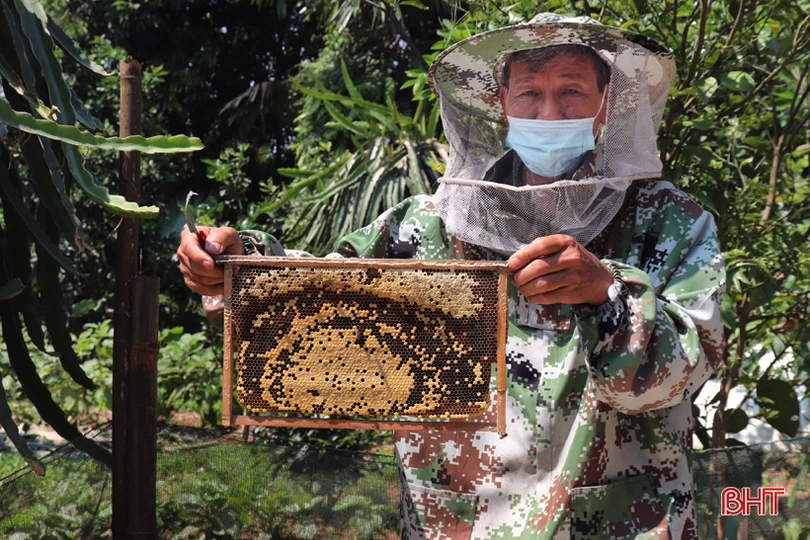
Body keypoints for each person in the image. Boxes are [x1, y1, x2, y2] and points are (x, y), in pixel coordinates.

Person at [177, 13, 725, 539]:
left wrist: (607, 294)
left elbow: (693, 367)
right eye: (530, 92)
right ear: (501, 103)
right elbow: (328, 296)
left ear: (606, 104)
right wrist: (233, 264)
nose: (549, 114)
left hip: (616, 524)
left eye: (572, 91)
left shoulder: (672, 223)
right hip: (459, 523)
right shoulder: (430, 224)